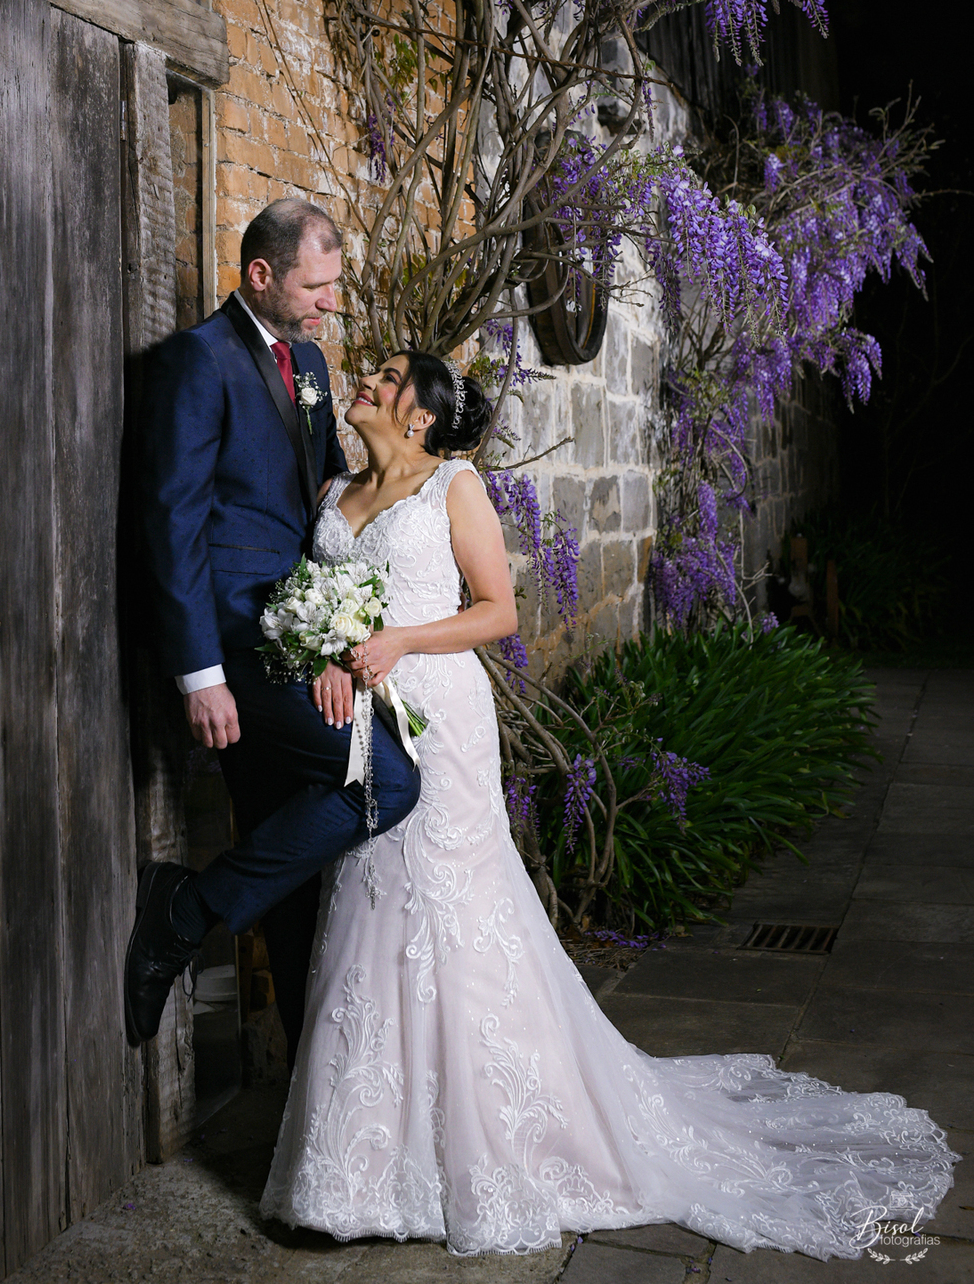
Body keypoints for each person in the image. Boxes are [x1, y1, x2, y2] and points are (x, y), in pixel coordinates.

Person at [260, 352, 958, 1259]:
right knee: (363, 905)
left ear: (421, 416)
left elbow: (498, 610)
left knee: (448, 915)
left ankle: (480, 1142)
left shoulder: (454, 486)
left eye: (388, 376)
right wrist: (330, 651)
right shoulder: (331, 492)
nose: (368, 379)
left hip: (440, 717)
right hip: (356, 723)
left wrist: (397, 638)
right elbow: (318, 603)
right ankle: (353, 1168)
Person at [127, 200, 420, 1060]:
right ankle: (182, 912)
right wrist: (199, 673)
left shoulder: (313, 364)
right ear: (262, 275)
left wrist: (338, 638)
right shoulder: (197, 361)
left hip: (300, 631)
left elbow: (329, 508)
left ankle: (302, 1098)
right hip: (236, 641)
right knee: (385, 783)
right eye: (316, 285)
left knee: (286, 861)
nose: (332, 302)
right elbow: (172, 522)